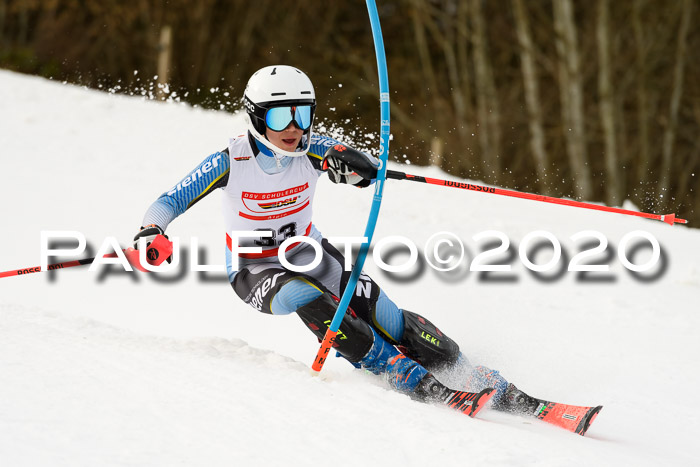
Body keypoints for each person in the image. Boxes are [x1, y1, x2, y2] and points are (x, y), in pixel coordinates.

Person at [134, 65, 535, 416]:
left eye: (302, 113)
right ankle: (401, 372)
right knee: (306, 296)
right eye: (280, 116)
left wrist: (357, 166)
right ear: (256, 117)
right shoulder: (230, 160)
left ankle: (466, 370)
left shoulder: (312, 148)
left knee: (385, 315)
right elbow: (169, 200)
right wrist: (152, 232)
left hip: (310, 253)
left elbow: (355, 163)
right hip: (254, 268)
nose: (294, 127)